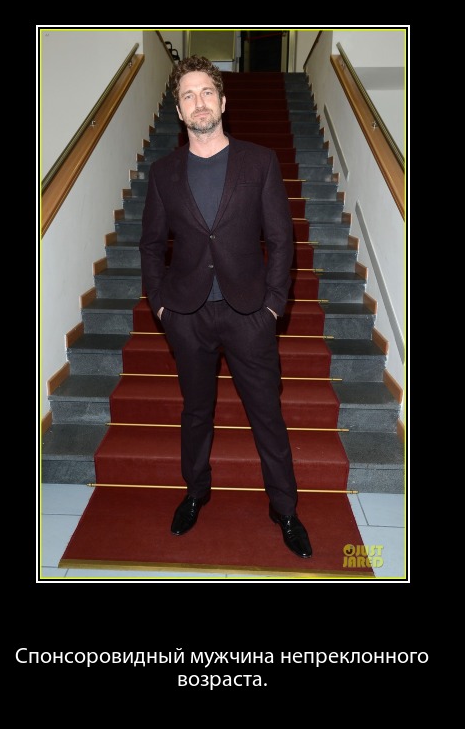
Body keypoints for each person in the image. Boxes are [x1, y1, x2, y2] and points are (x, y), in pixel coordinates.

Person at [139, 55, 312, 559]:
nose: (199, 102)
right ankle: (195, 492)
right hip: (187, 315)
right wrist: (161, 307)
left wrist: (273, 307)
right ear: (179, 110)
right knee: (196, 413)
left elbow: (281, 240)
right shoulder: (163, 173)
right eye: (188, 95)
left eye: (207, 92)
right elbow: (151, 245)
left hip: (249, 314)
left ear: (223, 101)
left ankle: (285, 509)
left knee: (267, 414)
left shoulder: (260, 162)